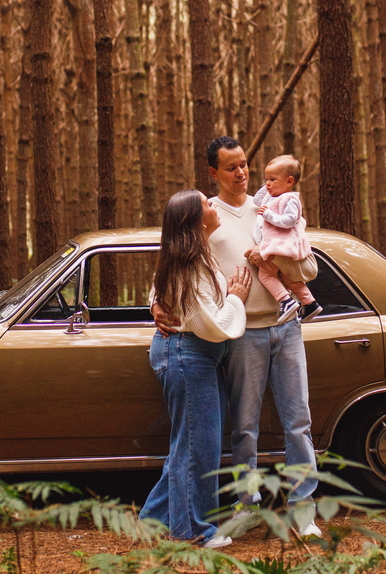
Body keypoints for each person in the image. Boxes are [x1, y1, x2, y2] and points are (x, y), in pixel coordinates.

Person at [152, 137, 322, 538]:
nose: (241, 173)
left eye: (245, 164)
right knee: (244, 429)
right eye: (231, 167)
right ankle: (247, 508)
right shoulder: (205, 216)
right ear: (213, 173)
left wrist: (281, 260)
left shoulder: (274, 204)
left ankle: (303, 512)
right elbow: (172, 265)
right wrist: (154, 304)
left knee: (299, 422)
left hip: (288, 326)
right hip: (243, 334)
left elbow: (310, 267)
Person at [140, 189, 252, 548]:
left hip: (192, 355)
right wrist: (237, 297)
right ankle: (193, 532)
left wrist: (155, 302)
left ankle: (152, 522)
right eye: (207, 203)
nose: (214, 205)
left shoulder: (190, 256)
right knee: (197, 450)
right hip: (188, 355)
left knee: (188, 447)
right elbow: (213, 325)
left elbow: (163, 291)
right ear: (196, 219)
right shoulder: (189, 263)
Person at [252, 154, 322, 325]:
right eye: (266, 179)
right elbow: (256, 199)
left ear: (290, 181)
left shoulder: (291, 199)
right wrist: (271, 183)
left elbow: (289, 221)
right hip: (277, 247)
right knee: (290, 278)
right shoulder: (272, 196)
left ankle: (286, 300)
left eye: (272, 179)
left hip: (279, 247)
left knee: (265, 275)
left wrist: (269, 215)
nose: (267, 183)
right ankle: (310, 303)